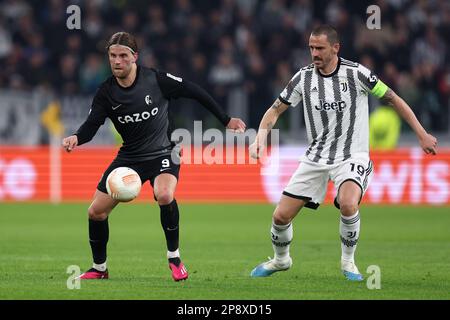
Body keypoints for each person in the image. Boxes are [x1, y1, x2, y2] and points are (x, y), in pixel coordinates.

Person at [249, 25, 437, 281]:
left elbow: (393, 98)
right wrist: (261, 137)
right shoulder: (303, 78)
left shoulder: (356, 73)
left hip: (352, 155)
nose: (314, 53)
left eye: (319, 48)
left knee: (348, 203)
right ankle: (281, 261)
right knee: (280, 216)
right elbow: (274, 110)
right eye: (311, 48)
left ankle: (348, 262)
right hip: (316, 157)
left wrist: (421, 133)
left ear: (335, 48)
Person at [62, 32, 246, 281]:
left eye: (123, 56)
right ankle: (99, 268)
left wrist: (226, 119)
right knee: (95, 212)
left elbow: (194, 91)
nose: (117, 61)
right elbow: (91, 125)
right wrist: (76, 137)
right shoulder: (106, 92)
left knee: (165, 194)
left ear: (134, 57)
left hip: (164, 152)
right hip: (130, 158)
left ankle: (174, 258)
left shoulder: (156, 80)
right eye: (112, 56)